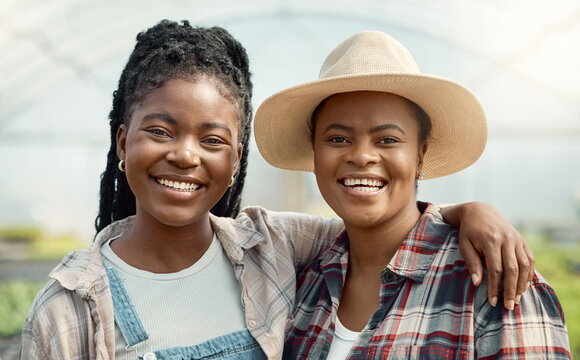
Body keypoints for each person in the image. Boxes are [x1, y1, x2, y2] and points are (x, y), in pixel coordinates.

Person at [21, 21, 534, 360]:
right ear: (121, 141)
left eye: (212, 139)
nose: (184, 155)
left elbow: (381, 222)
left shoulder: (272, 247)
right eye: (159, 130)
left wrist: (468, 213)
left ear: (235, 159)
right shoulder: (68, 310)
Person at [253, 31, 571, 358]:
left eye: (387, 140)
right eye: (337, 139)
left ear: (420, 154)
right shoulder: (307, 277)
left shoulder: (492, 281)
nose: (361, 156)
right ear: (315, 152)